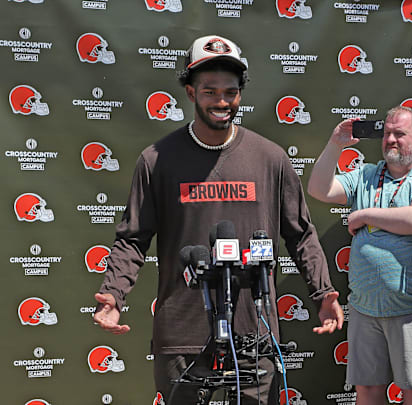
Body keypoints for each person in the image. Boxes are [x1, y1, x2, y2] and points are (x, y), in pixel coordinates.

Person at [92, 35, 344, 405]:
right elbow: (133, 238)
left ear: (240, 93)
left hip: (254, 332)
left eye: (230, 91)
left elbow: (301, 234)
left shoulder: (270, 158)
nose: (222, 101)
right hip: (182, 332)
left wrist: (323, 293)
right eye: (210, 91)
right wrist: (113, 295)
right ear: (191, 93)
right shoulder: (157, 160)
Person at [307, 106, 412, 405]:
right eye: (387, 133)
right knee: (367, 391)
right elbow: (319, 189)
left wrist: (363, 215)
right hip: (366, 307)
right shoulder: (367, 174)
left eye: (400, 134)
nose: (391, 140)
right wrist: (335, 145)